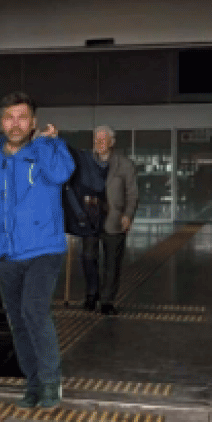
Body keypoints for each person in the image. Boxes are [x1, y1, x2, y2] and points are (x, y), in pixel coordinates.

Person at [0, 92, 74, 410]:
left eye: (22, 117)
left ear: (32, 122)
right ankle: (32, 382)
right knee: (17, 320)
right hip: (6, 252)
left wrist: (46, 142)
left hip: (44, 247)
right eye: (9, 117)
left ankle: (50, 382)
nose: (15, 123)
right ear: (1, 121)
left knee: (35, 312)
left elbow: (61, 174)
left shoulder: (49, 148)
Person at [74, 126, 139, 314]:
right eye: (96, 139)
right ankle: (91, 294)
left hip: (114, 219)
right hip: (90, 219)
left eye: (103, 140)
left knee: (112, 263)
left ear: (112, 142)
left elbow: (132, 193)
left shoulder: (124, 164)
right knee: (88, 258)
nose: (99, 143)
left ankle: (107, 301)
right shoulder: (85, 164)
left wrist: (128, 214)